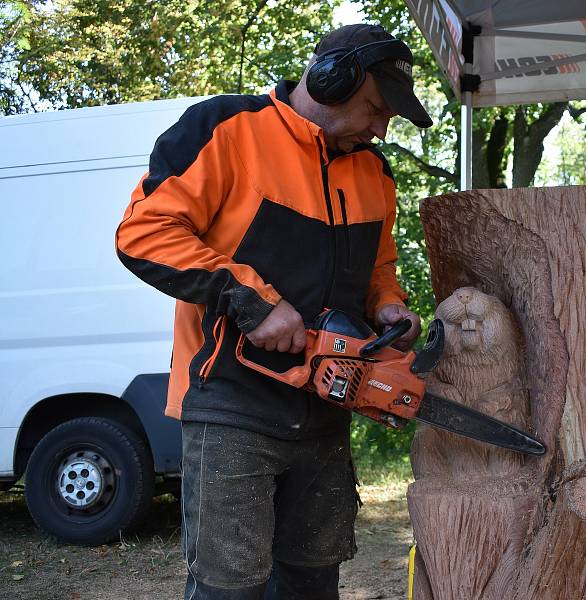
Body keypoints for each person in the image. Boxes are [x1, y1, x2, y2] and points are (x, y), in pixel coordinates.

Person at [115, 23, 432, 600]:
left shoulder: (373, 172)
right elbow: (144, 233)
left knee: (313, 581)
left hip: (325, 408)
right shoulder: (228, 130)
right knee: (229, 587)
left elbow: (378, 269)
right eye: (375, 108)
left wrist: (389, 309)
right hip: (231, 403)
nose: (381, 127)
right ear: (333, 80)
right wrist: (252, 300)